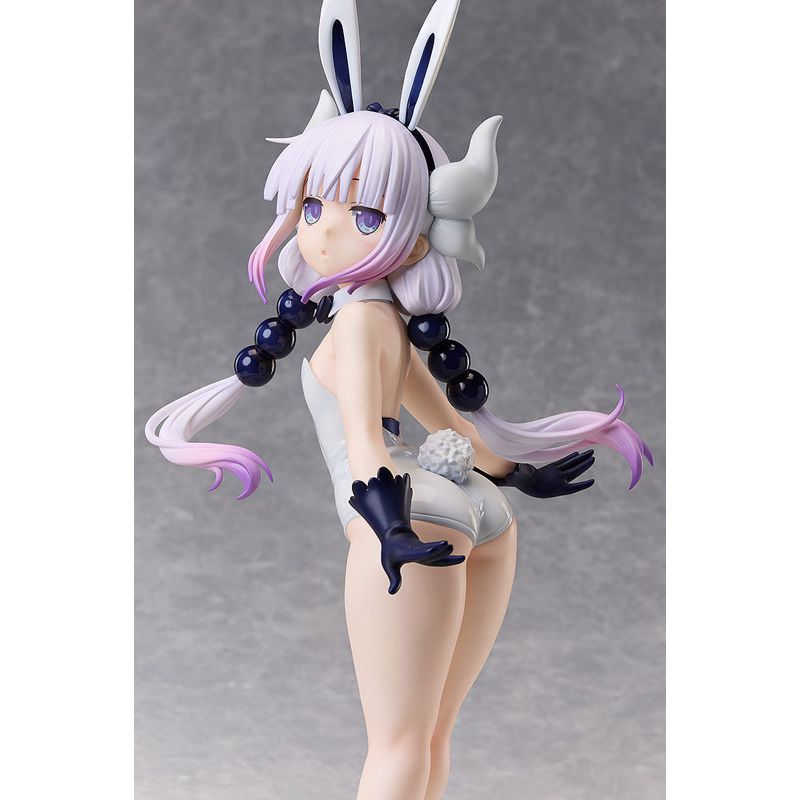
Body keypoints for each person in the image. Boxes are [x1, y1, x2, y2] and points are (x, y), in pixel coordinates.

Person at [145, 2, 651, 797]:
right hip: (472, 506)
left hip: (405, 511)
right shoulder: (387, 320)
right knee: (429, 736)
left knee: (397, 744)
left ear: (417, 232)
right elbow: (447, 422)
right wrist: (513, 473)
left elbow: (366, 443)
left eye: (364, 214)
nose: (323, 233)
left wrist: (387, 526)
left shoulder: (361, 323)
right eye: (313, 207)